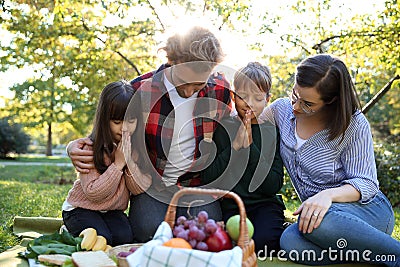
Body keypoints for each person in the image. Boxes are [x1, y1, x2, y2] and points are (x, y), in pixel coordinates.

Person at [66, 26, 232, 242]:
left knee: (205, 236)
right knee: (148, 233)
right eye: (186, 81)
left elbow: (241, 122)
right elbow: (108, 131)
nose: (191, 91)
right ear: (173, 60)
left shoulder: (220, 91)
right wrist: (74, 147)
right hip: (152, 185)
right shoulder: (140, 91)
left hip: (195, 184)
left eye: (198, 84)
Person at [261, 54, 400, 266]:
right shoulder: (281, 110)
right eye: (294, 95)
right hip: (319, 219)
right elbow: (249, 117)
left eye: (308, 103)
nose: (296, 107)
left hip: (366, 212)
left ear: (331, 100)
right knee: (290, 242)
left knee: (320, 223)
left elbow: (367, 184)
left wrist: (328, 196)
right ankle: (369, 251)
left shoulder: (353, 125)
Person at [201, 62, 285, 254]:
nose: (249, 104)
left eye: (258, 98)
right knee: (230, 244)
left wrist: (250, 148)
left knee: (265, 243)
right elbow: (209, 177)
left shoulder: (270, 132)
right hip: (232, 205)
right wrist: (235, 147)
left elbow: (273, 185)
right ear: (233, 96)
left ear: (267, 99)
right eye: (243, 96)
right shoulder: (223, 129)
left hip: (264, 204)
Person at [62, 80, 152, 246]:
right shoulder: (90, 148)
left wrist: (128, 162)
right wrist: (117, 164)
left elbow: (138, 188)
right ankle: (69, 230)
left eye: (131, 121)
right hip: (81, 209)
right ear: (105, 119)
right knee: (102, 239)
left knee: (124, 239)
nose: (124, 128)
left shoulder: (134, 148)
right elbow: (94, 194)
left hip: (110, 211)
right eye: (117, 122)